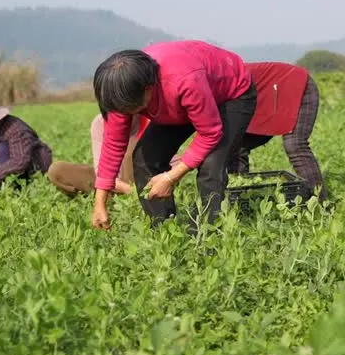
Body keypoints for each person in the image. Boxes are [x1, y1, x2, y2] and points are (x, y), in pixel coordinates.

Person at [90, 40, 258, 234]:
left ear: (148, 89)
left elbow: (210, 133)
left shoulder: (184, 80)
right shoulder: (121, 92)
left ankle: (207, 236)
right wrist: (99, 203)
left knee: (211, 165)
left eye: (130, 109)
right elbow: (113, 145)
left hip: (231, 94)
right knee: (145, 158)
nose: (125, 113)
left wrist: (171, 177)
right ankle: (164, 232)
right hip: (180, 101)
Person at [226, 61, 327, 203]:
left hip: (296, 85)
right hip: (266, 97)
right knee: (235, 145)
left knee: (295, 144)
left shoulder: (217, 82)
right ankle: (238, 200)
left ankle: (322, 204)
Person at [47, 114, 149, 197]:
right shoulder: (99, 123)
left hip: (142, 183)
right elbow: (101, 172)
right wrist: (126, 189)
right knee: (57, 170)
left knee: (131, 149)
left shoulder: (150, 121)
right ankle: (113, 199)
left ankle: (130, 201)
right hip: (109, 182)